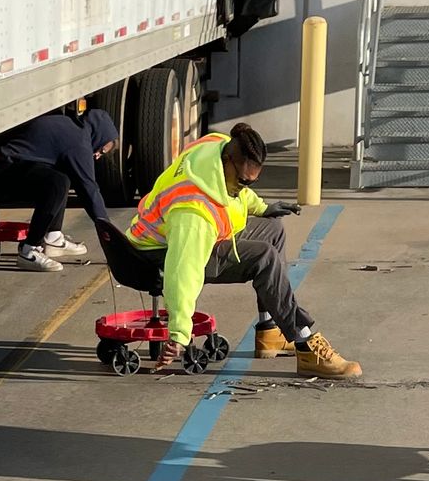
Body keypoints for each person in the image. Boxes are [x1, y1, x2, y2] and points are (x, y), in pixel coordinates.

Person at [114, 121, 360, 378]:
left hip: (178, 238)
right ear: (229, 161)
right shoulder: (193, 212)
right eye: (243, 181)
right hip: (158, 255)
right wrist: (178, 333)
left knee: (273, 230)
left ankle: (270, 330)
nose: (245, 187)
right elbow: (182, 273)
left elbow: (238, 195)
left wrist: (263, 208)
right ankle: (305, 342)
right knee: (264, 258)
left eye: (251, 183)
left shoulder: (215, 147)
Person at [0, 105, 122, 270]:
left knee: (64, 175)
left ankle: (53, 238)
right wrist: (108, 230)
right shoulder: (79, 144)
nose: (97, 156)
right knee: (57, 183)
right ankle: (29, 250)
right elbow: (89, 190)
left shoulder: (68, 126)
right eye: (102, 150)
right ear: (99, 135)